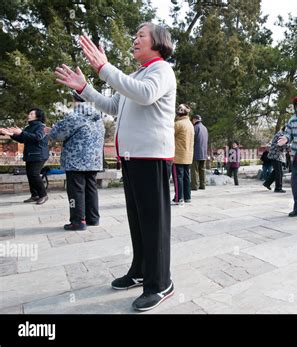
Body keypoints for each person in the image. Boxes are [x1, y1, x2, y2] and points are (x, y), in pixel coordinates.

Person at [54, 23, 176, 311]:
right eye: (134, 36)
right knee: (138, 221)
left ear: (157, 42)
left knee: (154, 223)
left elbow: (145, 95)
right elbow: (112, 106)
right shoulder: (135, 74)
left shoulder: (161, 70)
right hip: (133, 158)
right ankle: (141, 270)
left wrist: (104, 68)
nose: (134, 40)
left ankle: (161, 283)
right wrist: (84, 88)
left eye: (140, 36)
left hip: (153, 157)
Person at [47, 92, 105, 231]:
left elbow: (56, 135)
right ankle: (93, 218)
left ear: (74, 100)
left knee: (76, 191)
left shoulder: (74, 116)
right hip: (94, 160)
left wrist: (51, 130)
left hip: (76, 160)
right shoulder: (98, 118)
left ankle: (78, 221)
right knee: (91, 188)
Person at [0, 108, 49, 204]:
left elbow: (37, 138)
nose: (28, 115)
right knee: (30, 175)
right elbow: (22, 139)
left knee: (34, 174)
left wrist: (21, 132)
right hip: (30, 155)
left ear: (37, 116)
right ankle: (34, 195)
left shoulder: (42, 127)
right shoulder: (28, 127)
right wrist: (10, 134)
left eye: (31, 114)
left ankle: (43, 195)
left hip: (39, 155)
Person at [172, 104, 194, 205]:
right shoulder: (190, 124)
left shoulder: (178, 124)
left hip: (178, 155)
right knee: (186, 176)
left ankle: (179, 197)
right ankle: (187, 197)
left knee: (178, 177)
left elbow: (170, 136)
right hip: (188, 154)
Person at [264, 127, 287, 192]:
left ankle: (267, 183)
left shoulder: (281, 134)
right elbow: (281, 145)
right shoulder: (281, 135)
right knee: (279, 172)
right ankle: (278, 188)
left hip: (277, 155)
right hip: (276, 155)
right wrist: (291, 146)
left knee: (276, 171)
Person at [191, 114, 208, 190]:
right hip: (204, 153)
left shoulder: (195, 128)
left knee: (195, 170)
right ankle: (203, 185)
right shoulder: (205, 128)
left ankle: (194, 186)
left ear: (194, 119)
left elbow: (192, 140)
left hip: (196, 152)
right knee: (202, 169)